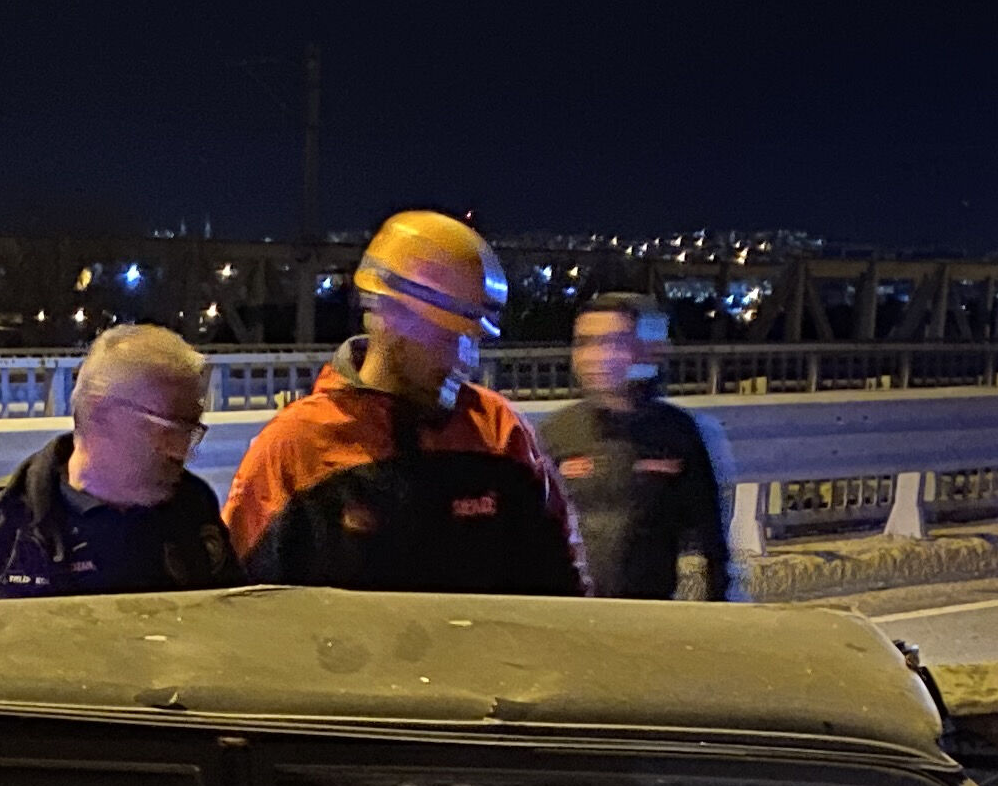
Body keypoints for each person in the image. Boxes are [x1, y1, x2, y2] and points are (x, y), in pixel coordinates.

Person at [222, 209, 582, 596]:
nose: (466, 359)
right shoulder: (297, 449)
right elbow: (237, 601)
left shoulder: (500, 433)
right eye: (447, 336)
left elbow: (564, 589)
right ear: (386, 316)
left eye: (474, 339)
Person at [0, 324, 236, 601]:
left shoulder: (192, 508)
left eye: (190, 432)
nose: (181, 451)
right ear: (100, 414)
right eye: (167, 429)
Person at [538, 294, 734, 602]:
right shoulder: (555, 435)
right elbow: (525, 539)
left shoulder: (677, 434)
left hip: (647, 616)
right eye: (584, 343)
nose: (595, 356)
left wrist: (713, 616)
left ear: (644, 351)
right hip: (570, 616)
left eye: (612, 342)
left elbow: (713, 548)